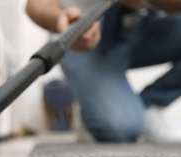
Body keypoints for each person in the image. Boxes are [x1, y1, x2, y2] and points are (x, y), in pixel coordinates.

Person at [26, 0, 181, 142]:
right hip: (83, 34)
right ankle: (91, 110)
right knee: (121, 130)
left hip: (140, 27)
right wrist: (60, 18)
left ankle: (148, 105)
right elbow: (35, 5)